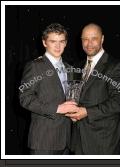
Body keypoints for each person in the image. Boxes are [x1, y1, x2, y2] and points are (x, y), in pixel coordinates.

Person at [57, 23, 120, 154]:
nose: (89, 43)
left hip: (103, 142)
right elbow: (72, 93)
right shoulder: (77, 66)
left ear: (102, 39)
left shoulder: (116, 66)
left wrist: (87, 112)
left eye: (94, 38)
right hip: (77, 141)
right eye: (85, 39)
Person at [19, 23, 76, 155]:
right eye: (53, 41)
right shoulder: (34, 66)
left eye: (61, 41)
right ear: (44, 42)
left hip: (67, 139)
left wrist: (74, 111)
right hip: (43, 141)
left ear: (66, 43)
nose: (58, 46)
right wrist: (58, 108)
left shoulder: (70, 68)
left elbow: (71, 96)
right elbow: (25, 98)